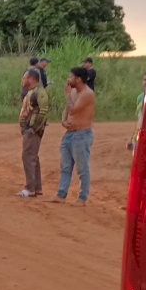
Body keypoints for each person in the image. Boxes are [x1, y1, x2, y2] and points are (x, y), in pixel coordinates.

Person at [47, 66, 95, 206]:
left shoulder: (87, 94)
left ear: (78, 79)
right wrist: (63, 120)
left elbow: (73, 110)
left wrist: (67, 95)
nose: (68, 79)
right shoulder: (74, 92)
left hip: (82, 134)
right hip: (69, 133)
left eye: (71, 77)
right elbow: (66, 109)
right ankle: (61, 194)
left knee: (82, 168)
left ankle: (82, 197)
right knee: (65, 166)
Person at [16, 68, 49, 198]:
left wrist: (33, 128)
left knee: (28, 157)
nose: (22, 80)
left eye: (24, 78)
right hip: (30, 130)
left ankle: (30, 188)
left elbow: (43, 112)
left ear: (31, 79)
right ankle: (37, 188)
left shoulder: (39, 93)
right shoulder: (33, 92)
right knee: (32, 157)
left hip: (32, 131)